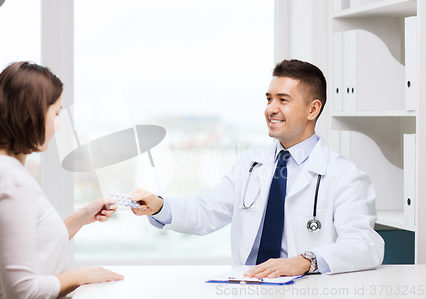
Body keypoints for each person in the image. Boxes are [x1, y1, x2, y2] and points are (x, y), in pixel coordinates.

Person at [130, 59, 384, 278]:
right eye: (269, 99)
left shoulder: (344, 175)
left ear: (313, 109)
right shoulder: (249, 166)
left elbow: (365, 244)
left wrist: (305, 261)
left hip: (306, 287)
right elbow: (205, 210)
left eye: (283, 100)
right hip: (247, 285)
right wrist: (160, 206)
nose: (271, 109)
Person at [0, 62, 124, 299]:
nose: (58, 125)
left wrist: (82, 216)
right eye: (56, 113)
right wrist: (82, 276)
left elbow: (23, 246)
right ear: (32, 114)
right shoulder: (10, 181)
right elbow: (22, 291)